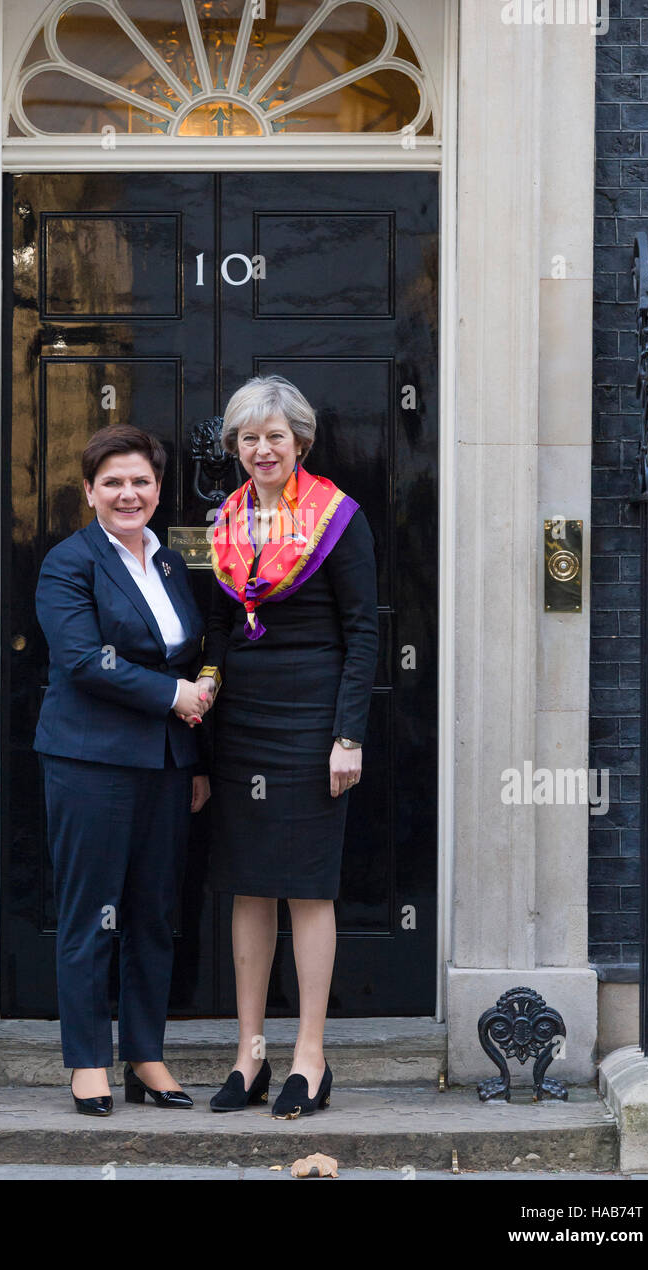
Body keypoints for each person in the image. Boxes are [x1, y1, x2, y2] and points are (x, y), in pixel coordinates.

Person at [198, 375, 379, 1118]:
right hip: (241, 720)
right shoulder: (224, 521)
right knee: (248, 884)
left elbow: (364, 629)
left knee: (307, 885)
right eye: (248, 437)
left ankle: (310, 1055)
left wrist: (346, 735)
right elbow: (213, 630)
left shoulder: (338, 517)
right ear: (236, 448)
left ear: (299, 441)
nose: (261, 448)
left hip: (311, 719)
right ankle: (250, 1055)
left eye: (274, 436)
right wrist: (205, 691)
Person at [34, 423, 211, 1115]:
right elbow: (83, 660)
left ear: (158, 489)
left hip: (166, 763)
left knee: (152, 916)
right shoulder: (68, 562)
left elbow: (184, 654)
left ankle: (145, 1055)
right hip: (90, 762)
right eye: (112, 482)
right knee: (90, 915)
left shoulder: (167, 564)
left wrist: (194, 754)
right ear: (89, 491)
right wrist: (175, 695)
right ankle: (86, 1061)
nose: (127, 493)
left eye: (140, 481)